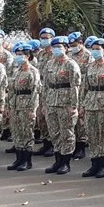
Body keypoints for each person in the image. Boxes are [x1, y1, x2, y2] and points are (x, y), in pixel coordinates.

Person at [40, 36, 81, 175]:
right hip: (51, 102)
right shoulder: (50, 64)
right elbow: (45, 85)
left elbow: (75, 86)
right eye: (54, 47)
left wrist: (73, 106)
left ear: (66, 48)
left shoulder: (71, 64)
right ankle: (57, 160)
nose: (56, 50)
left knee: (67, 133)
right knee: (54, 133)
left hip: (65, 104)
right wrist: (44, 103)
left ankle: (65, 162)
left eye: (60, 47)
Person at [78, 38, 104, 179]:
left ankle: (102, 166)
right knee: (92, 135)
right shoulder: (90, 66)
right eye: (93, 48)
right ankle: (94, 164)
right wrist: (82, 105)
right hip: (90, 103)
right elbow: (84, 87)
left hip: (103, 104)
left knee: (103, 136)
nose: (95, 51)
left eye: (98, 49)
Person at [5, 43, 41, 172]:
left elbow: (35, 91)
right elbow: (12, 90)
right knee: (17, 132)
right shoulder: (17, 71)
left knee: (26, 132)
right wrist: (9, 107)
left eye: (22, 55)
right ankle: (19, 158)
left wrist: (33, 109)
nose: (19, 57)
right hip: (15, 105)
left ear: (28, 56)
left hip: (27, 105)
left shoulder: (33, 72)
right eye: (17, 55)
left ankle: (27, 160)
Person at [31, 27, 56, 158]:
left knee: (51, 118)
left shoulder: (56, 54)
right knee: (41, 118)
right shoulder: (40, 54)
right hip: (41, 89)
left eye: (47, 37)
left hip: (53, 89)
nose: (44, 40)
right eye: (43, 37)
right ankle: (45, 143)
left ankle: (53, 145)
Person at [68, 32, 92, 160]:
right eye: (71, 45)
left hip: (83, 90)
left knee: (81, 119)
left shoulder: (88, 56)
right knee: (71, 118)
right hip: (71, 90)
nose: (72, 47)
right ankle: (72, 146)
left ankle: (81, 146)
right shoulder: (69, 55)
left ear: (81, 43)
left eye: (74, 44)